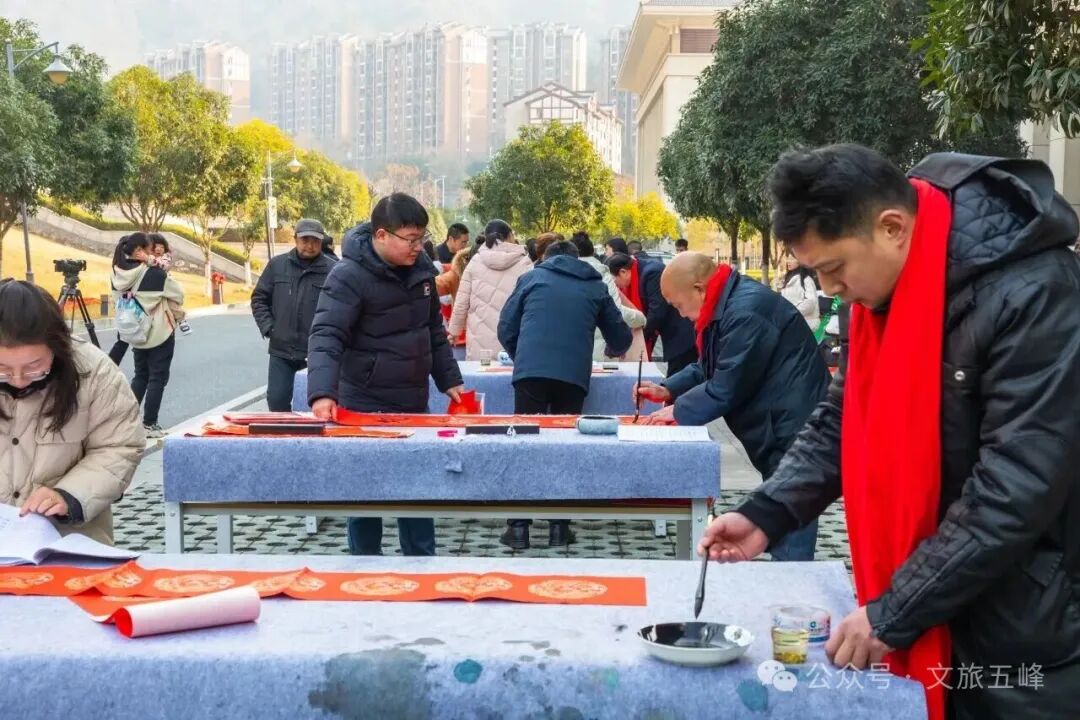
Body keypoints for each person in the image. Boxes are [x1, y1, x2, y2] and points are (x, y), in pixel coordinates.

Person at [698, 144, 1080, 720]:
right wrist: (767, 513)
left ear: (893, 227)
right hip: (934, 583)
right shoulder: (882, 293)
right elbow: (841, 419)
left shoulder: (1035, 292)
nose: (829, 288)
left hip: (1026, 611)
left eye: (835, 268)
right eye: (816, 272)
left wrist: (893, 612)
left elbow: (1015, 487)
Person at [636, 251, 827, 561]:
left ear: (699, 289)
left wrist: (678, 411)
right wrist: (668, 388)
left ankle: (792, 581)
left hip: (792, 422)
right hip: (779, 419)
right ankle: (786, 573)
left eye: (678, 305)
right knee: (782, 509)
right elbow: (709, 365)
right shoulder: (727, 304)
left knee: (792, 512)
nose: (680, 314)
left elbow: (726, 385)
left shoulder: (746, 311)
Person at [308, 193, 465, 556]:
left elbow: (432, 330)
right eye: (410, 239)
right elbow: (327, 335)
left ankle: (421, 563)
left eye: (422, 238)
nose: (418, 247)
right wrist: (322, 393)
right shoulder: (348, 276)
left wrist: (450, 379)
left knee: (417, 491)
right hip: (363, 404)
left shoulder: (422, 271)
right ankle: (365, 566)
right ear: (381, 235)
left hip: (413, 401)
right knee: (365, 494)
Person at [498, 240, 632, 549]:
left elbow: (505, 327)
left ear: (546, 258)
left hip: (530, 374)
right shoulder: (595, 286)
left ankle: (518, 528)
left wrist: (523, 357)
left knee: (524, 445)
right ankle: (559, 527)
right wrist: (613, 350)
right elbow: (620, 336)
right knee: (564, 446)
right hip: (572, 376)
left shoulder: (531, 278)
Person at [0, 280, 144, 544]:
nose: (18, 380)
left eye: (33, 366)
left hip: (68, 542)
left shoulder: (94, 371)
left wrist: (69, 496)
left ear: (57, 347)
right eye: (3, 369)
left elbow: (120, 446)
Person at [251, 217, 337, 413]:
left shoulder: (333, 270)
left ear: (321, 241)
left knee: (315, 406)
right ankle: (284, 433)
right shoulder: (277, 265)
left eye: (315, 241)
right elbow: (259, 298)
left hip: (317, 352)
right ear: (295, 239)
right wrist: (269, 327)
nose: (310, 246)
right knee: (276, 401)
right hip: (282, 350)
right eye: (305, 240)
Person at [110, 233, 185, 438]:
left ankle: (128, 422)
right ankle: (149, 424)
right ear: (141, 251)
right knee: (157, 378)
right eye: (150, 249)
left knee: (140, 376)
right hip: (159, 332)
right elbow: (178, 295)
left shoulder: (116, 275)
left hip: (135, 332)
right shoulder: (155, 274)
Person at [448, 219, 533, 361]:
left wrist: (454, 332)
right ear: (510, 236)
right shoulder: (525, 264)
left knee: (481, 374)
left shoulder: (475, 262)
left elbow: (461, 303)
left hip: (480, 344)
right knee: (509, 375)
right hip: (513, 344)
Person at [606, 252, 697, 376]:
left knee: (680, 377)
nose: (617, 287)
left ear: (623, 272)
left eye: (615, 283)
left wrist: (628, 340)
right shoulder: (639, 270)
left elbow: (657, 313)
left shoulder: (652, 273)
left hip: (681, 332)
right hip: (670, 333)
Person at [571, 231, 647, 361]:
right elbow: (617, 312)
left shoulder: (561, 275)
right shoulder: (602, 274)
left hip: (570, 349)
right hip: (598, 349)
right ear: (592, 252)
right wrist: (641, 318)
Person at [778, 253, 820, 328]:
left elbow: (811, 302)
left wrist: (792, 311)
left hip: (806, 324)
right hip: (792, 323)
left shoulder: (806, 280)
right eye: (788, 258)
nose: (788, 261)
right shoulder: (787, 279)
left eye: (792, 258)